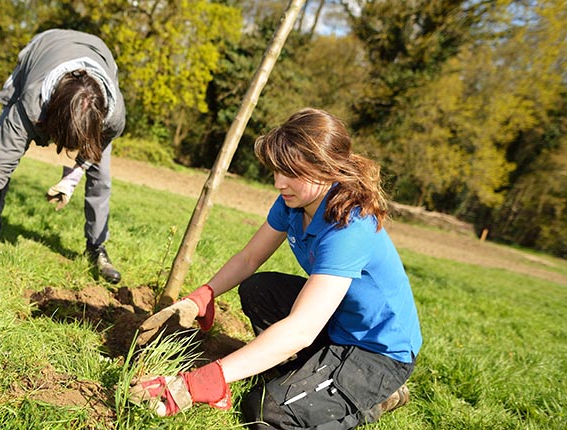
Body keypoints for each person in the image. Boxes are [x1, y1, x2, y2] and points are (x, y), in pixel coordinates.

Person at [129, 108, 422, 429]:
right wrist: (203, 296)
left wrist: (200, 381)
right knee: (258, 289)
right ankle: (312, 377)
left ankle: (374, 399)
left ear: (325, 168)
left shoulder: (349, 228)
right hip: (338, 322)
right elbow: (249, 259)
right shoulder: (294, 202)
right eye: (276, 170)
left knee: (268, 411)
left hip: (375, 350)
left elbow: (301, 329)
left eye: (290, 172)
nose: (278, 182)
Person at [0, 28, 126, 284]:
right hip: (42, 51)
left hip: (99, 53)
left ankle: (96, 248)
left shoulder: (113, 116)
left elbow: (97, 147)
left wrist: (72, 178)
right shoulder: (32, 102)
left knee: (101, 178)